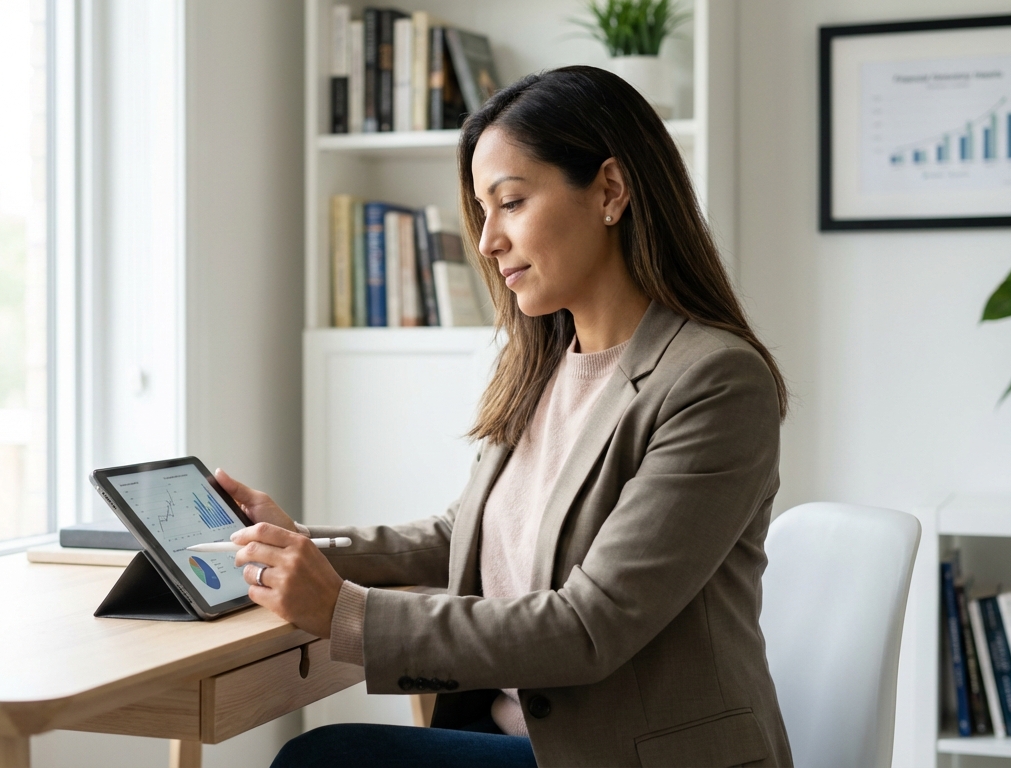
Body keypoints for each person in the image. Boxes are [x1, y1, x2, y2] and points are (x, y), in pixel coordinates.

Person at [216, 65, 793, 768]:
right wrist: (300, 543)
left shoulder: (715, 382)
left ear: (611, 190)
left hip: (631, 757)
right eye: (482, 212)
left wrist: (344, 612)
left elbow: (589, 626)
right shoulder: (547, 363)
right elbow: (464, 534)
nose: (487, 240)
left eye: (510, 202)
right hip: (520, 737)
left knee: (325, 761)